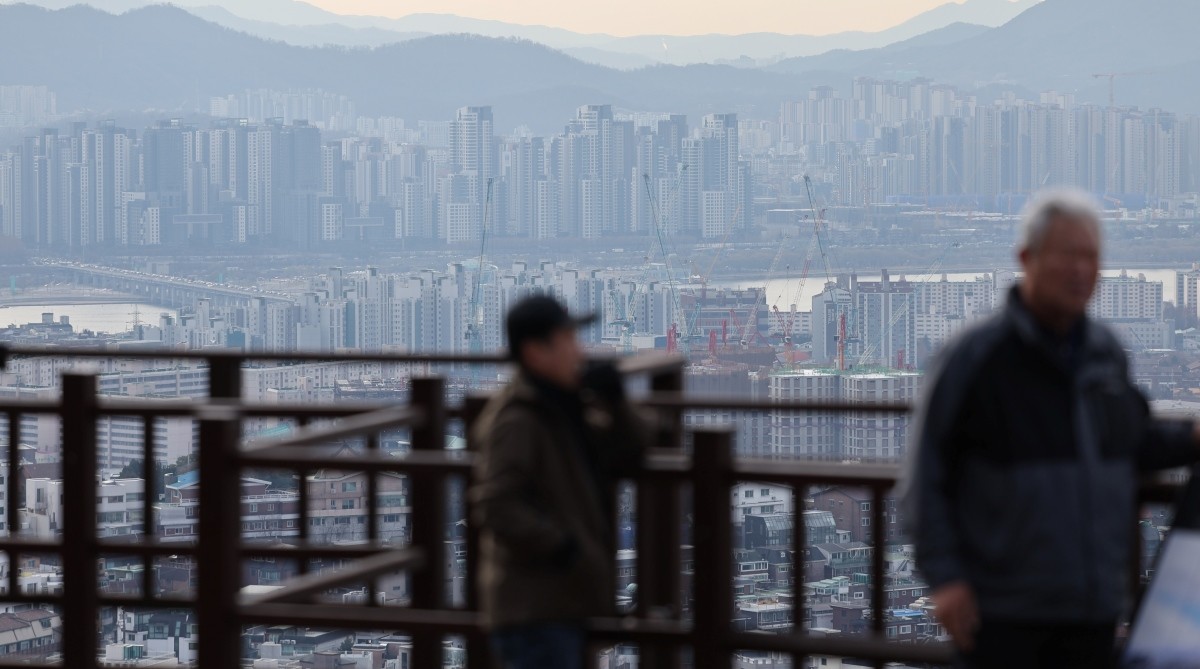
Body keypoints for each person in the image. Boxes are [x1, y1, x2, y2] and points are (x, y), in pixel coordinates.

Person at [902, 189, 1200, 669]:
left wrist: (1190, 440)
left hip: (1092, 609)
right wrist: (945, 579)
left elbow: (1129, 441)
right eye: (1067, 255)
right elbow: (924, 477)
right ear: (1027, 257)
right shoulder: (976, 358)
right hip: (1002, 610)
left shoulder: (1105, 354)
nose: (1081, 270)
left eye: (1091, 257)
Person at [470, 294, 651, 669]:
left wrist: (616, 402)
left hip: (561, 603)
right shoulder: (518, 419)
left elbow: (633, 447)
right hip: (534, 610)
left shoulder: (561, 404)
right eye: (568, 341)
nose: (578, 351)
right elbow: (495, 504)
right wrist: (563, 548)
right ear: (536, 352)